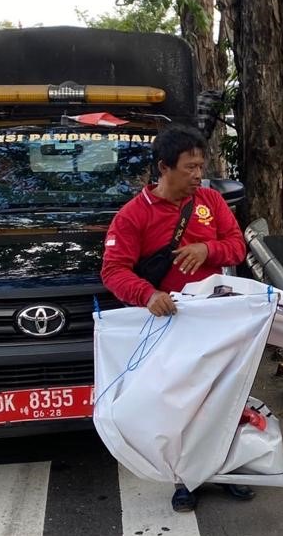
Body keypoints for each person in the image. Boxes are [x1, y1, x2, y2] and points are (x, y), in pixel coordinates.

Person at [100, 124, 250, 513]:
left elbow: (236, 247)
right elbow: (113, 271)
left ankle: (227, 470)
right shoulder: (133, 216)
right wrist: (148, 295)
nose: (199, 174)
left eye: (201, 165)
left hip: (215, 320)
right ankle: (185, 479)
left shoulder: (211, 202)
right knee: (180, 404)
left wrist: (207, 249)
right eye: (190, 167)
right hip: (168, 325)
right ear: (164, 168)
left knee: (222, 396)